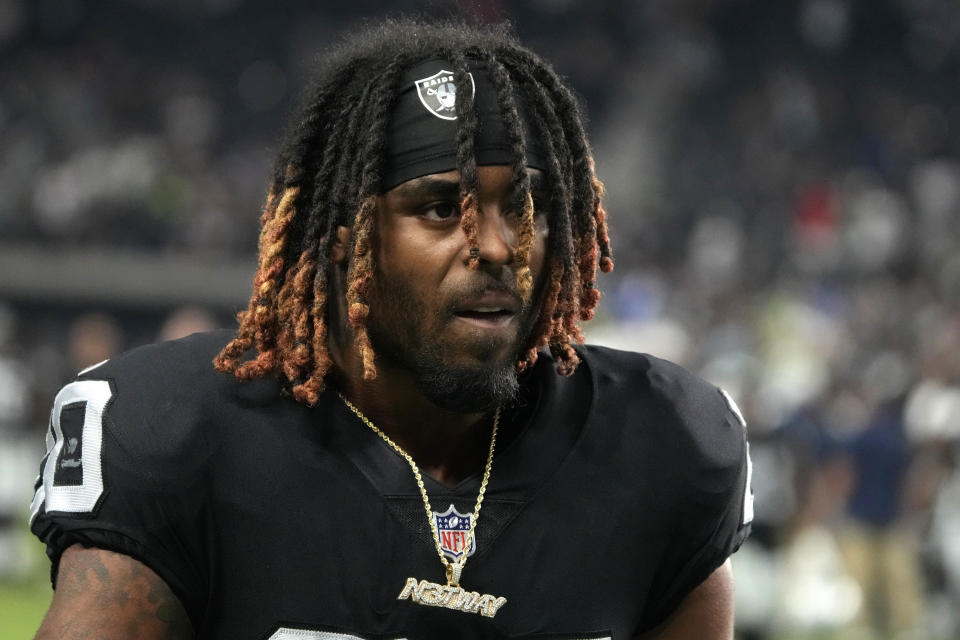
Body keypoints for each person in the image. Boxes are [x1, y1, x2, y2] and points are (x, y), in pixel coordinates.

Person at [28, 19, 753, 640]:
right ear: (344, 235)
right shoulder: (175, 433)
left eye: (525, 205)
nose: (497, 246)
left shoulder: (663, 444)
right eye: (441, 208)